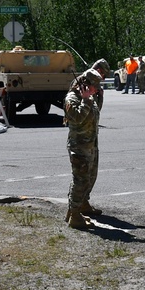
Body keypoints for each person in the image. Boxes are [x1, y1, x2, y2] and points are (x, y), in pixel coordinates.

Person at [63, 77, 100, 229]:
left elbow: (94, 116)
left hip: (89, 145)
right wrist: (86, 100)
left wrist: (95, 97)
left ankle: (73, 211)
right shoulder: (72, 99)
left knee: (86, 178)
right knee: (80, 180)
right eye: (94, 87)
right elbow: (77, 118)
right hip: (79, 146)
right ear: (84, 86)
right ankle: (75, 216)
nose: (96, 90)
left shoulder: (88, 97)